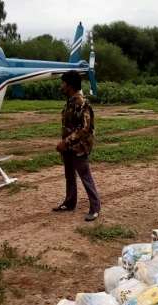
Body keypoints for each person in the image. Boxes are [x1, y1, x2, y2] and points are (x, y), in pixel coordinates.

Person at [53, 71, 101, 221]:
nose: (61, 86)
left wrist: (66, 142)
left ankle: (95, 208)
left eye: (63, 83)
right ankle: (70, 203)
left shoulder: (82, 103)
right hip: (68, 148)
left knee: (85, 177)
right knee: (69, 176)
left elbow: (84, 128)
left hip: (79, 147)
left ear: (70, 85)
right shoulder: (70, 101)